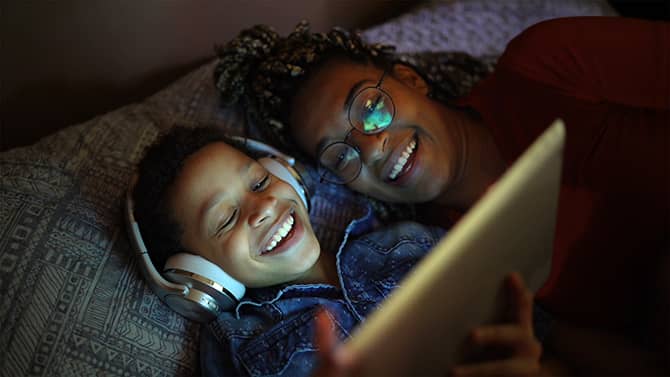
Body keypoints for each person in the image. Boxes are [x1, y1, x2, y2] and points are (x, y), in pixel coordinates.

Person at [214, 17, 670, 374]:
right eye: (342, 154)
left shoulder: (544, 68)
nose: (371, 147)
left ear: (411, 79)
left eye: (371, 108)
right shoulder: (441, 254)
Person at [132, 126, 551, 377]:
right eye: (225, 219)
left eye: (260, 183)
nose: (263, 208)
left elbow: (530, 325)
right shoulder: (241, 345)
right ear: (201, 274)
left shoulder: (408, 241)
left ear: (287, 175)